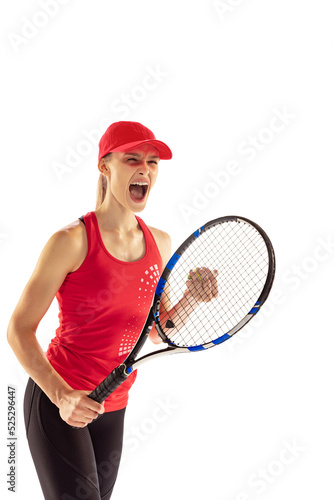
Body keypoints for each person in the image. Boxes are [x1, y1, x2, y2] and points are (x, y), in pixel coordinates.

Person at [7, 120, 217, 499]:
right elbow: (18, 329)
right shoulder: (70, 241)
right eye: (132, 159)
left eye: (153, 162)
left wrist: (192, 298)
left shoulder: (160, 243)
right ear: (105, 166)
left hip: (113, 402)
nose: (145, 169)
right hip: (59, 399)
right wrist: (61, 396)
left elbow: (156, 329)